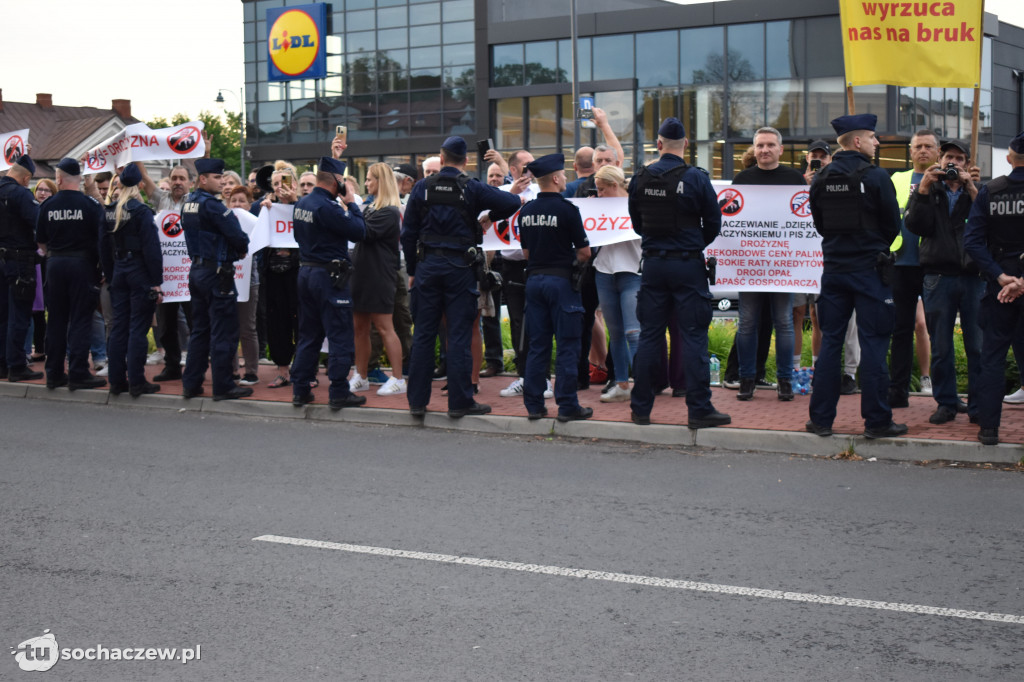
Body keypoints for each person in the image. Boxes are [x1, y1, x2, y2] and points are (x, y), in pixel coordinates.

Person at [401, 136, 522, 418]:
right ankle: (459, 402)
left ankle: (417, 402)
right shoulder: (472, 187)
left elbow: (407, 234)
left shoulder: (422, 187)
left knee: (423, 335)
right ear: (465, 161)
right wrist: (489, 215)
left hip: (427, 268)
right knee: (458, 336)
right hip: (459, 269)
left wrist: (412, 272)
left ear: (441, 160)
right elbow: (513, 201)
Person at [627, 117, 730, 429]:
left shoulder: (640, 178)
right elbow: (714, 223)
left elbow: (636, 224)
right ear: (686, 144)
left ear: (658, 145)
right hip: (687, 265)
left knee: (649, 336)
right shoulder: (696, 178)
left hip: (654, 265)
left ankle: (641, 409)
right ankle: (699, 410)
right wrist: (693, 242)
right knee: (694, 336)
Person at [806, 114, 904, 439]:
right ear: (858, 141)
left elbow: (820, 224)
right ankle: (877, 422)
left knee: (831, 343)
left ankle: (820, 420)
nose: (878, 143)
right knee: (874, 343)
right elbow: (893, 225)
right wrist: (872, 245)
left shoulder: (821, 178)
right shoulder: (876, 176)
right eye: (874, 137)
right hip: (869, 272)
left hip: (833, 271)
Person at [904, 139, 980, 425]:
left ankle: (979, 405)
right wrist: (923, 189)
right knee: (942, 346)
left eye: (959, 159)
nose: (953, 164)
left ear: (968, 164)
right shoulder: (929, 188)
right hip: (937, 276)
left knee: (977, 345)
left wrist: (971, 187)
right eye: (949, 157)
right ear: (940, 159)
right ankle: (946, 403)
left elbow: (987, 223)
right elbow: (915, 226)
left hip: (973, 277)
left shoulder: (979, 191)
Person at [517, 153, 593, 420]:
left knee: (537, 346)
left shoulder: (525, 212)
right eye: (563, 176)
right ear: (557, 178)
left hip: (534, 281)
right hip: (561, 283)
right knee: (568, 344)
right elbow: (585, 253)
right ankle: (567, 405)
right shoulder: (567, 209)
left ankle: (534, 406)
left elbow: (526, 253)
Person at [289, 155, 367, 409]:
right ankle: (339, 392)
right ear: (336, 180)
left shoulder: (302, 203)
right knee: (339, 336)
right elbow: (359, 231)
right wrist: (352, 203)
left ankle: (300, 389)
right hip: (329, 277)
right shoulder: (328, 207)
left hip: (306, 274)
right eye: (342, 180)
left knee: (308, 335)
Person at [731, 126, 803, 401]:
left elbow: (803, 222)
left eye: (770, 145)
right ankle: (746, 379)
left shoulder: (794, 179)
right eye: (760, 145)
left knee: (784, 322)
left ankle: (785, 380)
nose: (764, 150)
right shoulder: (743, 179)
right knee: (747, 322)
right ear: (754, 149)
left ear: (780, 149)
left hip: (783, 265)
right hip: (749, 265)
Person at [962, 131, 1024, 445]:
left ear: (1010, 158)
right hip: (1016, 281)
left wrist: (1001, 277)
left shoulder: (991, 191)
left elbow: (972, 241)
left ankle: (989, 428)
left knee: (993, 356)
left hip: (999, 286)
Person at [180, 158, 252, 401]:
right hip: (217, 274)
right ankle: (223, 386)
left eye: (222, 177)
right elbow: (239, 238)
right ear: (203, 179)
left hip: (197, 271)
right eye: (217, 177)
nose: (222, 181)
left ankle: (191, 383)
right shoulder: (213, 206)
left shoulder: (189, 203)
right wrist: (239, 249)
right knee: (224, 331)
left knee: (200, 330)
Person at [35, 157, 107, 390]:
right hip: (82, 266)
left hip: (55, 265)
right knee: (80, 319)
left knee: (55, 320)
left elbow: (41, 242)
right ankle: (77, 372)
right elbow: (101, 240)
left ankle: (54, 373)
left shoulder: (47, 205)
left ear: (58, 178)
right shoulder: (90, 205)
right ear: (78, 179)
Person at [101, 163, 163, 396]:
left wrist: (110, 272)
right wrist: (156, 281)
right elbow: (151, 249)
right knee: (138, 328)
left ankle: (116, 381)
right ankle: (136, 381)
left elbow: (103, 247)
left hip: (119, 271)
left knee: (119, 327)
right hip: (139, 273)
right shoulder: (141, 211)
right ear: (139, 185)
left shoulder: (109, 211)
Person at [889, 129, 939, 406]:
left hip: (933, 265)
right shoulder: (896, 179)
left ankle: (942, 393)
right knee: (900, 330)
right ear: (910, 152)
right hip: (901, 264)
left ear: (937, 152)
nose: (922, 150)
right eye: (918, 146)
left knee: (936, 330)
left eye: (928, 146)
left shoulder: (944, 180)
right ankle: (898, 392)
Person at [349, 163, 406, 397]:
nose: (366, 183)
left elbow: (365, 232)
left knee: (385, 327)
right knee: (359, 327)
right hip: (361, 273)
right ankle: (361, 376)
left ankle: (398, 378)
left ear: (381, 181)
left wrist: (351, 205)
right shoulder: (370, 207)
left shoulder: (390, 211)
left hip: (380, 275)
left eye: (370, 179)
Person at [138, 164, 193, 381]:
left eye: (182, 178)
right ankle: (172, 366)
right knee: (166, 325)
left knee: (195, 323)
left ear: (190, 182)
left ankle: (196, 367)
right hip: (167, 276)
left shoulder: (195, 201)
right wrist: (137, 153)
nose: (178, 182)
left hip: (189, 275)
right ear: (169, 181)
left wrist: (205, 155)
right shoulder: (162, 199)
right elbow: (144, 178)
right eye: (174, 178)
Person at [592, 165, 641, 403]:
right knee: (617, 332)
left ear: (614, 185)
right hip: (605, 270)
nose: (599, 194)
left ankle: (642, 384)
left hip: (632, 271)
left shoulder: (636, 204)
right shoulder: (598, 207)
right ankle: (622, 383)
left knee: (633, 332)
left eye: (602, 190)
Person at [0, 155, 43, 382]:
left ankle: (2, 365)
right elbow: (39, 222)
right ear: (25, 177)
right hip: (19, 261)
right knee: (19, 314)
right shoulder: (20, 194)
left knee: (2, 315)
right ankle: (16, 365)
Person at [262, 164, 301, 389]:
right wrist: (264, 207)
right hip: (274, 273)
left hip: (298, 273)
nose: (280, 187)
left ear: (293, 184)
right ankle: (283, 370)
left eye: (284, 182)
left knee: (303, 322)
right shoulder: (267, 207)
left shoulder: (305, 206)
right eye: (276, 184)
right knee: (277, 323)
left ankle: (306, 370)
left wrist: (295, 202)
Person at [225, 185, 260, 385]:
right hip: (228, 279)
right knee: (229, 327)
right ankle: (231, 370)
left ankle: (252, 371)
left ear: (249, 205)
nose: (237, 204)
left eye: (241, 201)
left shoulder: (255, 224)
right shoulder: (222, 221)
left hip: (250, 281)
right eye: (234, 201)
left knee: (247, 327)